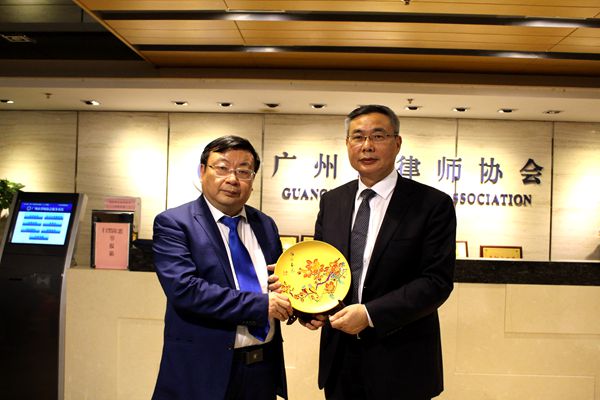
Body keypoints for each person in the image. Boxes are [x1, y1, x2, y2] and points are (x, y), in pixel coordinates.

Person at [303, 105, 456, 400]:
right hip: (340, 360)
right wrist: (309, 307)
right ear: (347, 144)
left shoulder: (432, 204)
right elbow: (321, 267)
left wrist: (370, 314)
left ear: (397, 143)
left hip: (402, 361)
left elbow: (436, 281)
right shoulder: (332, 201)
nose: (367, 146)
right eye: (358, 136)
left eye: (378, 136)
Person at [152, 135, 293, 400]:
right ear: (202, 171)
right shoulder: (174, 223)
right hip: (201, 371)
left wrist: (307, 309)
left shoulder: (265, 224)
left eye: (244, 171)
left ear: (253, 180)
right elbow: (185, 290)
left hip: (261, 370)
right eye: (222, 168)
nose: (232, 179)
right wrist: (261, 305)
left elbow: (280, 283)